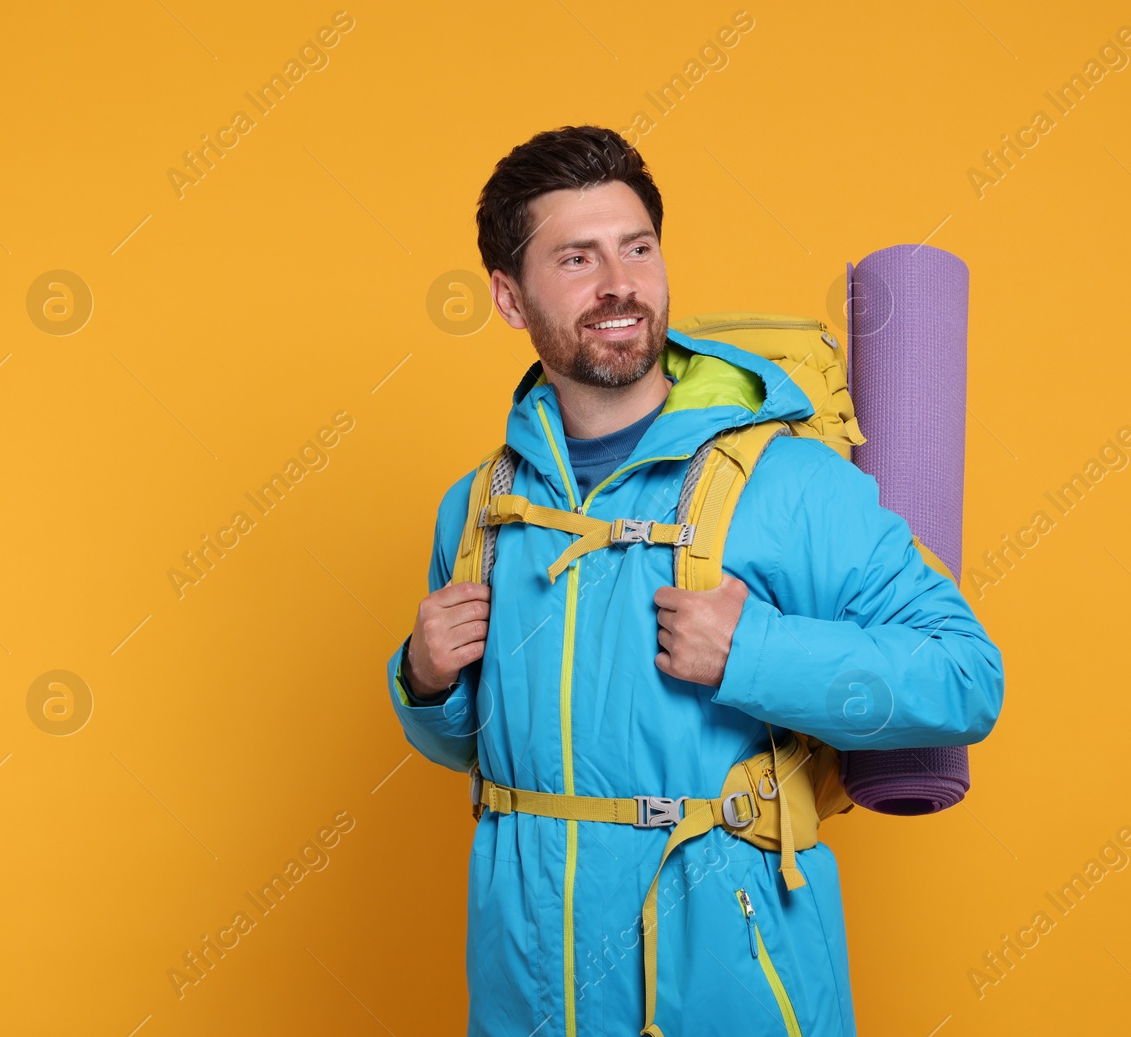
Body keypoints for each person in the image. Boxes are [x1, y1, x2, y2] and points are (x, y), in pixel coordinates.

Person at [388, 125, 1004, 1037]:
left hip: (733, 997)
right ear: (509, 297)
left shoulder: (789, 482)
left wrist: (750, 653)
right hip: (528, 995)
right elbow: (501, 756)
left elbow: (966, 678)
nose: (620, 284)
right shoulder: (481, 506)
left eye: (638, 247)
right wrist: (424, 683)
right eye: (577, 258)